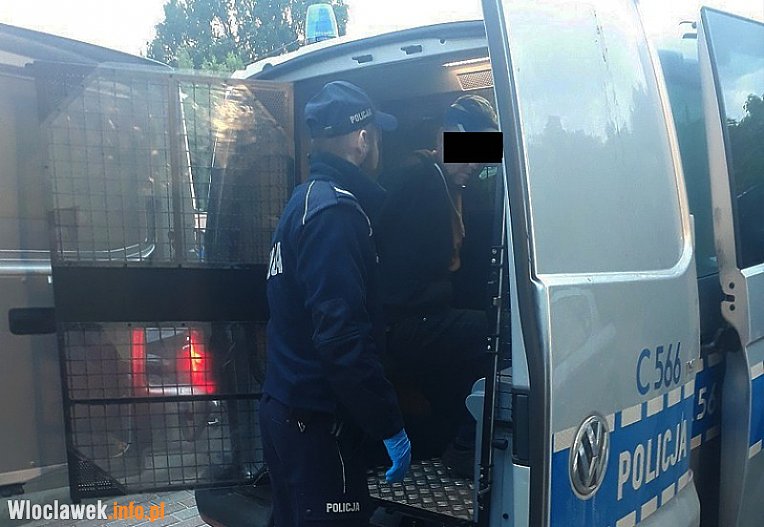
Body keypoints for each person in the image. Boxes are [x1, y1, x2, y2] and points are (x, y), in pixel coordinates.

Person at [261, 80, 411, 526]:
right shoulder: (335, 216)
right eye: (377, 136)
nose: (379, 146)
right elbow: (342, 338)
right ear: (363, 140)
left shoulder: (303, 203)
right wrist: (388, 424)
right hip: (316, 425)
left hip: (287, 411)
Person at [376, 94, 499, 477]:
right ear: (448, 136)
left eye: (482, 158)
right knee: (499, 337)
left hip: (416, 315)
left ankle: (452, 434)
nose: (475, 166)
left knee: (475, 329)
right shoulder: (420, 180)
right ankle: (466, 447)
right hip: (405, 320)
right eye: (470, 153)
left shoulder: (439, 182)